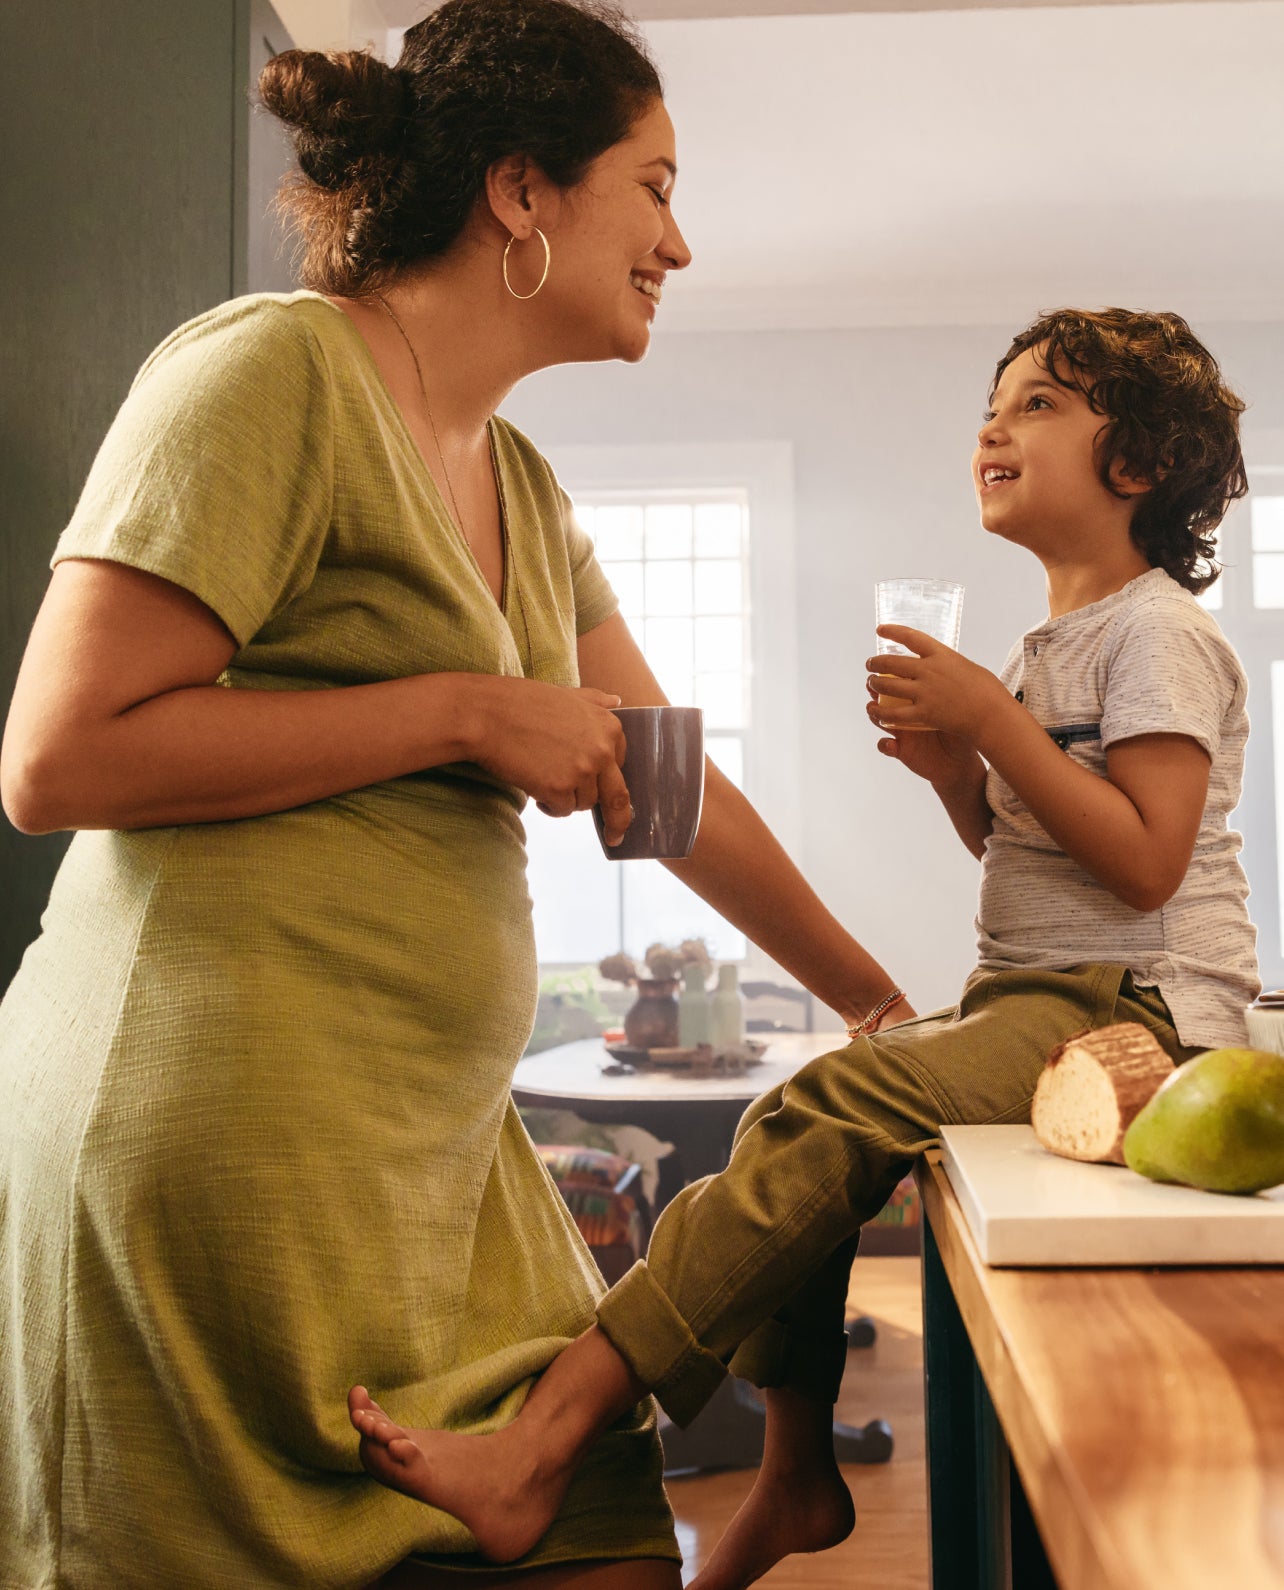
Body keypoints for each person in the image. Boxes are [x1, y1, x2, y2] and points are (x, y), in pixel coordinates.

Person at [0, 3, 914, 1586]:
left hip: (429, 1154)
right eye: (657, 186)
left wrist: (876, 1001)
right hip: (218, 1136)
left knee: (604, 1528)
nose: (680, 244)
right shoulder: (270, 371)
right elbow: (58, 756)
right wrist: (464, 709)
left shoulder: (526, 485)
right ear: (521, 193)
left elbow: (671, 785)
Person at [345, 306, 1261, 1588]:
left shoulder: (1157, 631)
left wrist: (990, 725)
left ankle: (550, 1439)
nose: (994, 423)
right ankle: (791, 1471)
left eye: (1042, 402)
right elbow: (1044, 867)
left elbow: (1149, 861)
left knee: (839, 1092)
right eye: (993, 402)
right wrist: (960, 772)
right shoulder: (1049, 642)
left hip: (1142, 1014)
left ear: (1142, 464)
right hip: (1041, 987)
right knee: (804, 1104)